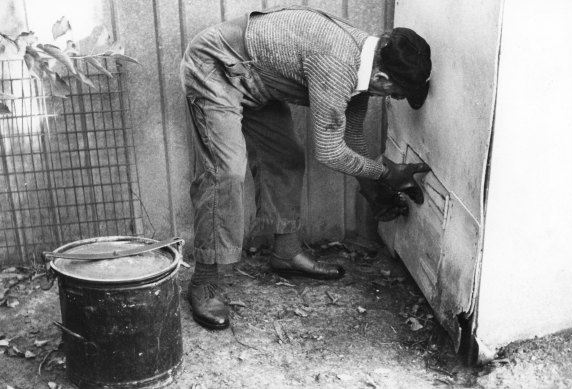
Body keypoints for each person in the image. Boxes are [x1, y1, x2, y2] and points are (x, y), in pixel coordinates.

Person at [179, 5, 432, 330]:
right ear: (383, 79)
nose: (392, 99)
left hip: (255, 80)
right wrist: (386, 173)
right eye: (395, 95)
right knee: (225, 170)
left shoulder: (367, 61)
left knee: (286, 156)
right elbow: (330, 151)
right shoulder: (340, 65)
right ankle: (204, 281)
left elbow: (351, 136)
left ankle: (285, 252)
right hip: (215, 66)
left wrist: (375, 192)